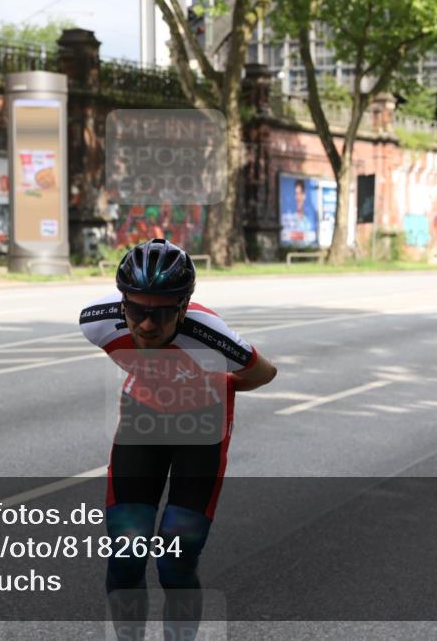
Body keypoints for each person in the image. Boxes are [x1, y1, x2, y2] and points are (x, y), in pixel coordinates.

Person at [79, 239, 277, 639]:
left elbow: (262, 373)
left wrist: (210, 383)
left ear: (184, 308)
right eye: (137, 310)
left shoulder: (208, 335)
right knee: (125, 552)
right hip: (144, 417)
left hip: (202, 426)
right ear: (122, 305)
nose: (147, 324)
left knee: (176, 557)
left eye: (163, 313)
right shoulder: (96, 323)